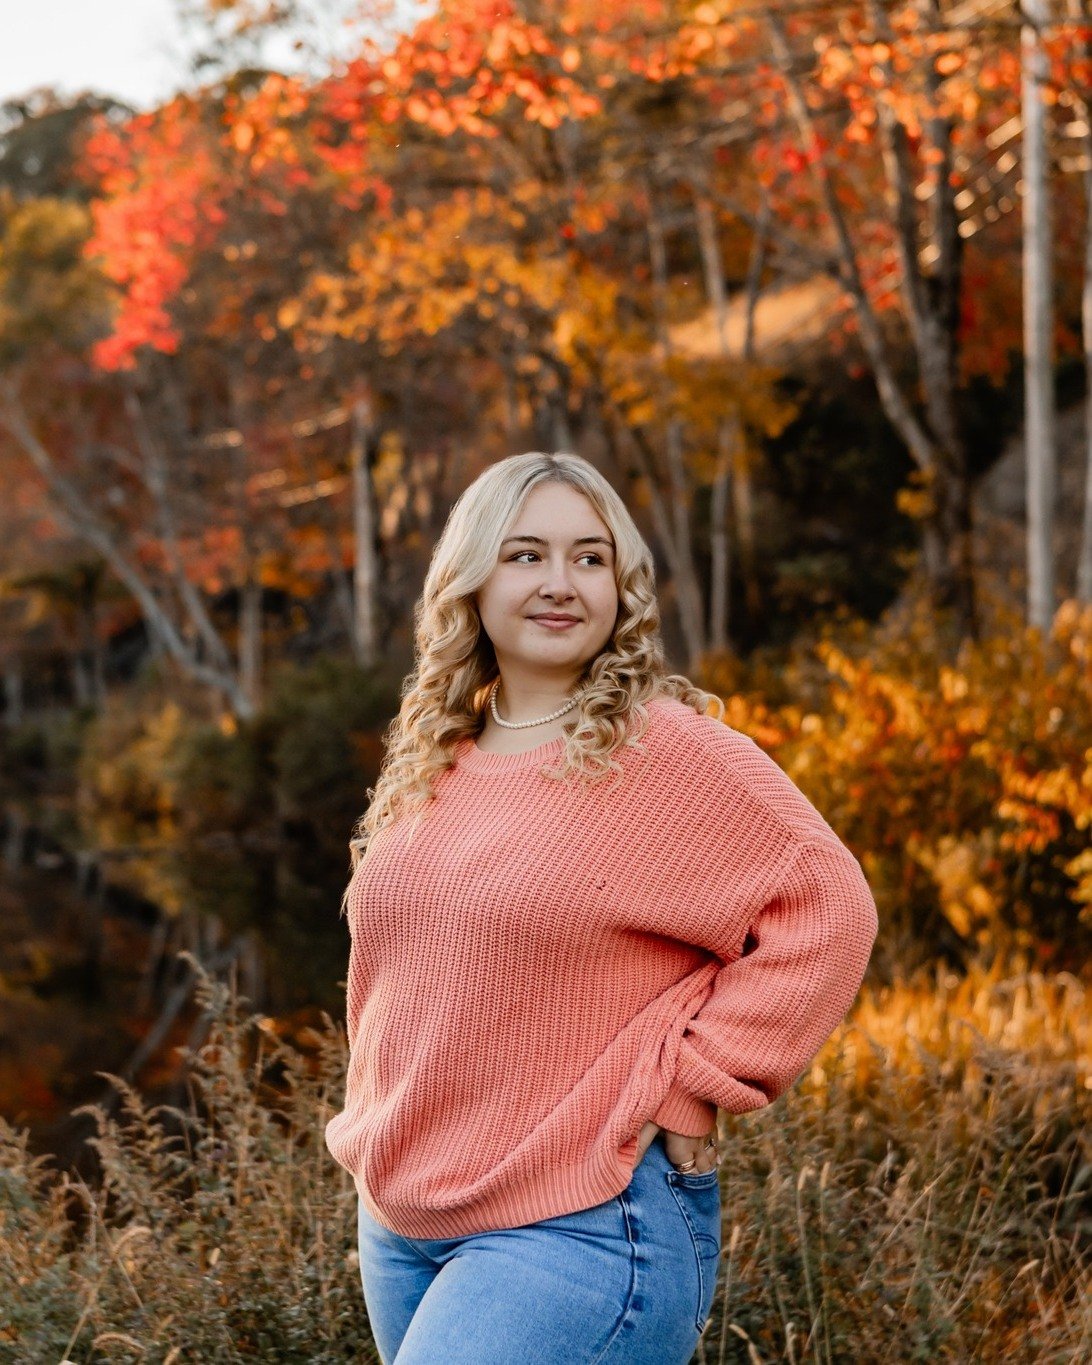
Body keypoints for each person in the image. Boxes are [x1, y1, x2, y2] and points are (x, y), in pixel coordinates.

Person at [325, 451, 879, 1364]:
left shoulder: (663, 747)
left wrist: (697, 1085)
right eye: (526, 554)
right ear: (471, 576)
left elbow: (829, 907)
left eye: (590, 558)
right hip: (404, 1224)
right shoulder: (439, 749)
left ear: (622, 585)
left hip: (579, 1218)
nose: (560, 583)